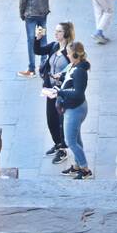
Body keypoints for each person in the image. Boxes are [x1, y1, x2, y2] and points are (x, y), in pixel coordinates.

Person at [34, 19, 75, 162]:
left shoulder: (70, 51)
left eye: (59, 31)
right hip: (49, 89)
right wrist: (37, 39)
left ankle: (63, 148)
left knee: (61, 120)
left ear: (66, 34)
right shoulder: (53, 46)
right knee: (50, 118)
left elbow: (74, 70)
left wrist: (63, 82)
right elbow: (38, 51)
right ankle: (57, 144)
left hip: (62, 92)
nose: (55, 33)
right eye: (55, 30)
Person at [57, 41, 92, 179]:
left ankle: (85, 169)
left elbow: (78, 93)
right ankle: (77, 165)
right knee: (76, 138)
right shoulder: (74, 66)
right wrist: (59, 79)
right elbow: (68, 80)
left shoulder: (80, 72)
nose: (67, 55)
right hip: (75, 107)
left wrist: (61, 92)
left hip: (75, 109)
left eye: (69, 53)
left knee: (70, 141)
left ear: (76, 55)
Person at [18, 0, 55, 76]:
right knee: (42, 38)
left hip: (30, 14)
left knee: (31, 40)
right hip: (42, 13)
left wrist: (21, 12)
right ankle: (44, 65)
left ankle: (31, 68)